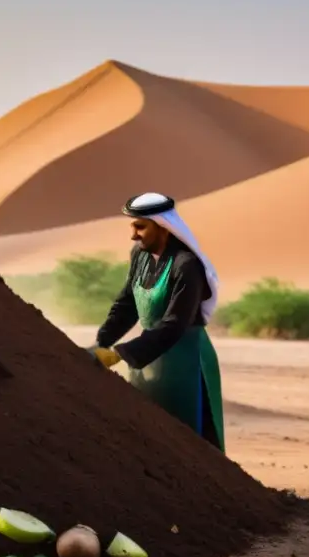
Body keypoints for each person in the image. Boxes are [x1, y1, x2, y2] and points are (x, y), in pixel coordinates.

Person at [89, 192, 224, 451]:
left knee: (192, 439)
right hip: (147, 359)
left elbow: (174, 324)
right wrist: (102, 341)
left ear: (162, 227)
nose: (133, 234)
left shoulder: (186, 266)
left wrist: (120, 353)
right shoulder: (139, 256)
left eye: (140, 227)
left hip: (186, 364)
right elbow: (127, 303)